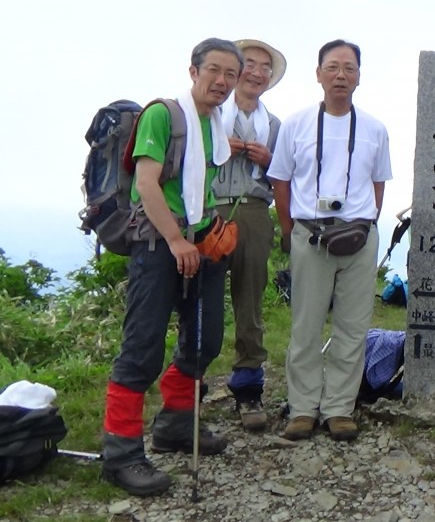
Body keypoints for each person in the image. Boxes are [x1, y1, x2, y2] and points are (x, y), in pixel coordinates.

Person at [101, 38, 243, 496]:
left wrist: (203, 234)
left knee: (205, 339)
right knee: (142, 346)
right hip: (159, 243)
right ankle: (120, 453)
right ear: (193, 70)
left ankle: (176, 426)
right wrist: (177, 239)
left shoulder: (215, 123)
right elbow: (146, 181)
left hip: (202, 241)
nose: (221, 82)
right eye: (214, 71)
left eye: (230, 75)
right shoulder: (164, 114)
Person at [267, 39, 392, 442]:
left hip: (359, 235)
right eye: (333, 67)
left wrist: (367, 223)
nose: (341, 75)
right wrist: (291, 233)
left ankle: (340, 407)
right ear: (318, 73)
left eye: (350, 68)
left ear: (359, 76)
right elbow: (280, 182)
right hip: (311, 233)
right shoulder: (296, 124)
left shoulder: (374, 129)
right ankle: (303, 408)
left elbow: (378, 184)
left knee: (352, 327)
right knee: (306, 325)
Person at [214, 39, 286, 432]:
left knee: (250, 300)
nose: (257, 72)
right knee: (201, 298)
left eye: (265, 68)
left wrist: (269, 159)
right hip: (209, 208)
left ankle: (248, 386)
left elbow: (286, 176)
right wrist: (218, 149)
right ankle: (187, 386)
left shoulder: (274, 125)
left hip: (256, 211)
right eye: (251, 64)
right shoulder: (207, 114)